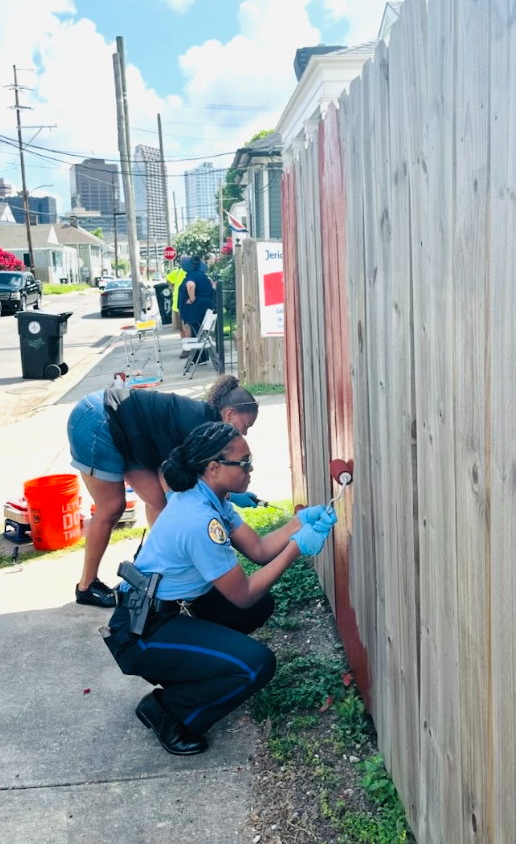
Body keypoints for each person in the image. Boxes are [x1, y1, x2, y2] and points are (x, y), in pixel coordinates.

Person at [102, 421, 337, 756]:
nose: (250, 470)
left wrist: (301, 522)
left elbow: (258, 549)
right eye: (244, 463)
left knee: (260, 606)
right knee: (255, 664)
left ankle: (195, 674)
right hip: (142, 634)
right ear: (213, 468)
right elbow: (242, 594)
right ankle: (169, 711)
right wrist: (296, 548)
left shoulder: (211, 498)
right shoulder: (199, 520)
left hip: (165, 613)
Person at [68, 374, 261, 608]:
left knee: (158, 502)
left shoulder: (208, 426)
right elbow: (169, 474)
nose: (246, 433)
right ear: (229, 414)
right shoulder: (199, 426)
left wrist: (229, 494)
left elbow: (187, 476)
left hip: (127, 430)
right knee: (112, 507)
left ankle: (158, 570)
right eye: (246, 425)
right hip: (100, 420)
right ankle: (86, 587)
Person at [180, 255, 215, 338]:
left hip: (195, 310)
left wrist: (192, 299)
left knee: (195, 331)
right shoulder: (204, 276)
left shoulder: (191, 276)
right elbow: (213, 286)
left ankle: (195, 350)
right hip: (207, 307)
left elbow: (191, 285)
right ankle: (202, 350)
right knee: (202, 332)